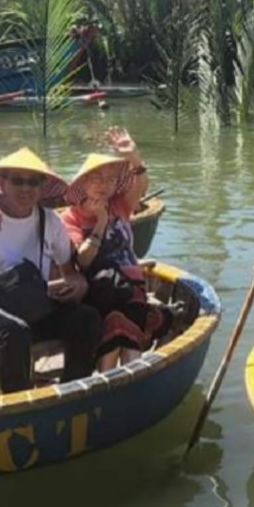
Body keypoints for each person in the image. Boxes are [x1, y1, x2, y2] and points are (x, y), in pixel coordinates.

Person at [0, 147, 101, 394]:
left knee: (87, 318)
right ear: (2, 183)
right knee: (15, 333)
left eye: (33, 182)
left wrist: (77, 283)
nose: (25, 189)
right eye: (17, 180)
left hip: (31, 303)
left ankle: (71, 391)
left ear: (41, 188)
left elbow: (69, 271)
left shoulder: (50, 220)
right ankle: (19, 405)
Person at [63, 127, 175, 371]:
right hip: (99, 290)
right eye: (96, 178)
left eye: (110, 179)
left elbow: (141, 183)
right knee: (116, 313)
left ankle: (125, 377)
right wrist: (101, 222)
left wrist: (133, 156)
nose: (103, 185)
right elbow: (82, 262)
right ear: (83, 182)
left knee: (128, 306)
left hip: (131, 286)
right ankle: (117, 377)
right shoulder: (71, 218)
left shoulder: (121, 204)